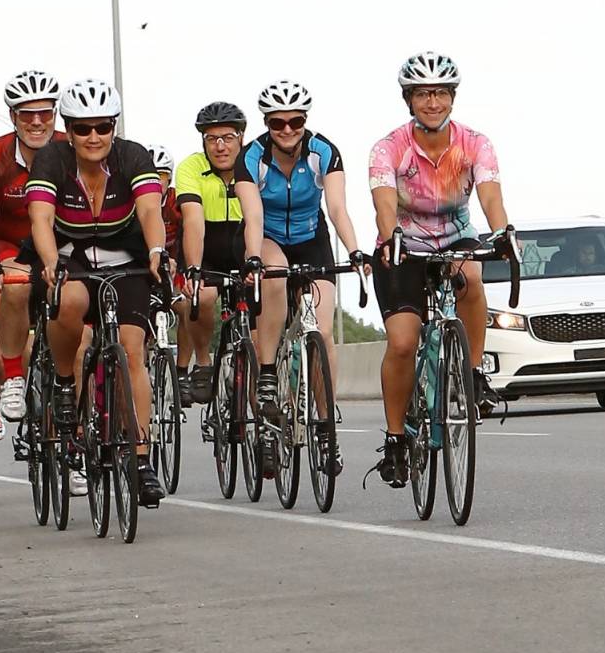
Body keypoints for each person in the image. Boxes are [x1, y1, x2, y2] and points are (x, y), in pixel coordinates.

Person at [367, 52, 513, 489]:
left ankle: (471, 373)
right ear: (408, 100)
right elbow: (384, 203)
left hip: (455, 237)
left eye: (441, 93)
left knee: (469, 276)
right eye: (423, 94)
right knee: (403, 340)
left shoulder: (475, 143)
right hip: (403, 243)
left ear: (452, 98)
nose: (432, 102)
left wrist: (503, 230)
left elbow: (489, 195)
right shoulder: (388, 148)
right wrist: (390, 234)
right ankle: (395, 438)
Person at [26, 79, 170, 508]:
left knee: (131, 350)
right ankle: (67, 385)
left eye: (103, 127)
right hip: (71, 259)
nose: (94, 137)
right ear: (68, 131)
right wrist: (50, 261)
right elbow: (40, 217)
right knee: (67, 302)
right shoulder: (52, 160)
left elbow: (149, 209)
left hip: (125, 261)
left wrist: (158, 249)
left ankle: (141, 459)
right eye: (83, 129)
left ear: (113, 128)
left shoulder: (133, 156)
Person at [244, 79, 365, 421]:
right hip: (266, 237)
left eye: (295, 121)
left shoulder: (324, 151)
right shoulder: (252, 156)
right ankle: (267, 373)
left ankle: (327, 423)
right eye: (277, 123)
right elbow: (252, 215)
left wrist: (355, 251)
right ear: (266, 123)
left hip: (312, 238)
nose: (287, 129)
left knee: (323, 331)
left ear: (305, 121)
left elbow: (338, 208)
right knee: (275, 274)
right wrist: (253, 259)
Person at [0, 67, 63, 439]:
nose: (37, 122)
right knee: (18, 283)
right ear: (12, 117)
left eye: (45, 113)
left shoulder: (71, 147)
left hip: (60, 241)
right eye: (27, 114)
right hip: (12, 245)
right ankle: (13, 376)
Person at [173, 102, 264, 404]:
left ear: (241, 137)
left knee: (261, 312)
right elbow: (193, 221)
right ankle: (203, 361)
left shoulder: (255, 164)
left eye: (227, 137)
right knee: (202, 295)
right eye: (212, 139)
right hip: (205, 243)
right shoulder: (190, 167)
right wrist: (194, 269)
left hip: (243, 243)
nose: (220, 146)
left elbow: (256, 219)